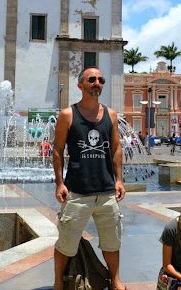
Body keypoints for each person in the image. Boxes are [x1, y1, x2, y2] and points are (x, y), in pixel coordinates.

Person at [52, 67, 126, 290]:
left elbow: (116, 147)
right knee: (66, 243)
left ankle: (115, 282)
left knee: (112, 243)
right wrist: (59, 183)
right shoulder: (68, 115)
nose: (97, 83)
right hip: (77, 191)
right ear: (80, 85)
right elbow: (57, 150)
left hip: (106, 192)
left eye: (100, 80)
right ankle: (57, 283)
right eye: (91, 79)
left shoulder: (111, 115)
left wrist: (119, 180)